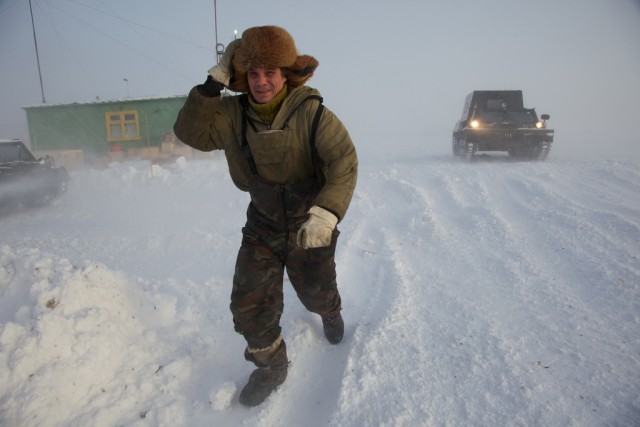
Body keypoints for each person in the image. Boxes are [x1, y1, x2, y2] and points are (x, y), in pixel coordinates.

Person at [173, 25, 358, 407]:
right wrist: (212, 85)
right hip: (263, 223)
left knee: (316, 291)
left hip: (311, 224)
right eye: (253, 73)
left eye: (270, 72)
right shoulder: (231, 112)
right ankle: (271, 365)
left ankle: (331, 310)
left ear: (285, 74)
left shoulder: (312, 113)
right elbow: (192, 134)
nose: (261, 82)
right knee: (249, 301)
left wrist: (326, 213)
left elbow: (343, 160)